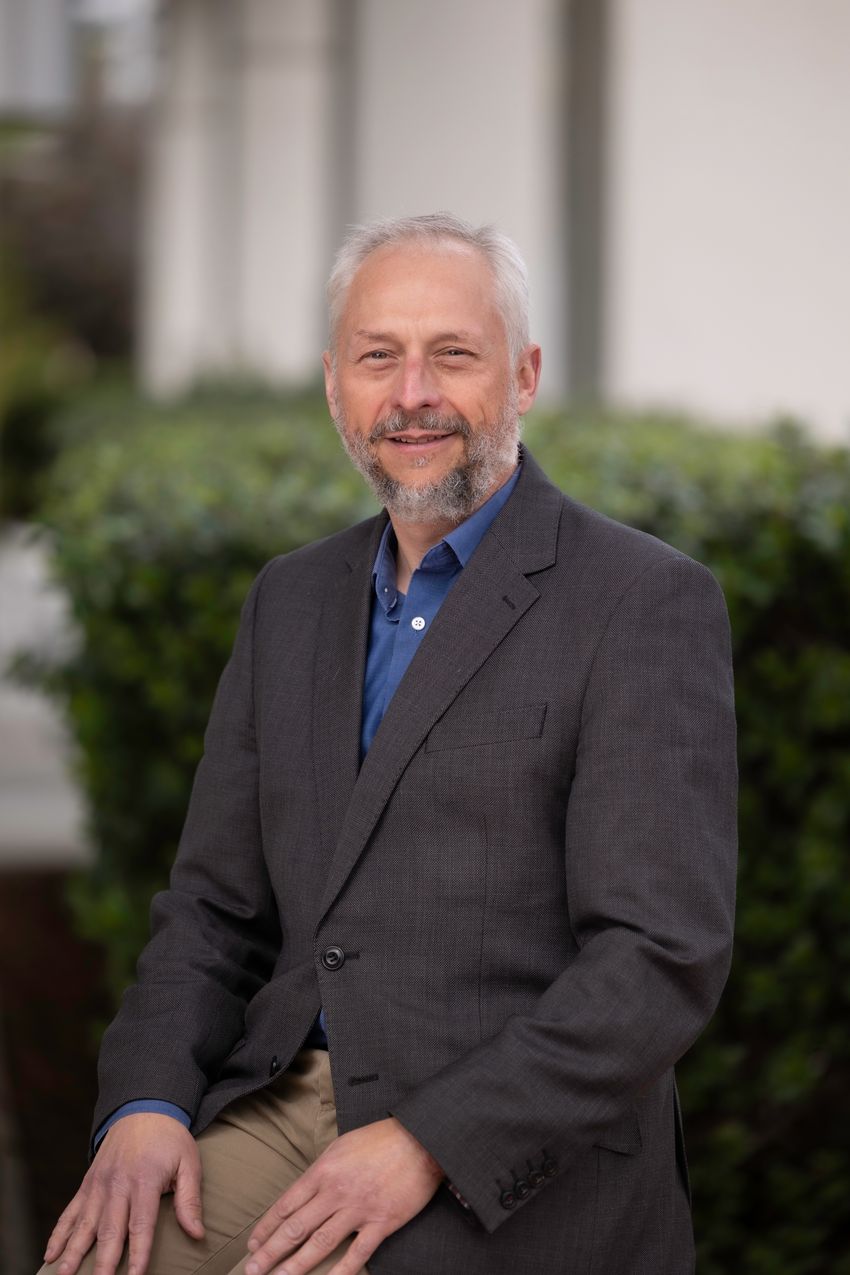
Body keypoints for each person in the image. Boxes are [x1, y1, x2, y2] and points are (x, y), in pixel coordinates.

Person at [41, 213, 737, 1275]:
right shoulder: (291, 600)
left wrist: (427, 1141)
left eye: (452, 354)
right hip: (284, 1099)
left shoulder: (641, 602)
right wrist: (144, 1101)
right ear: (335, 386)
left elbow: (658, 958)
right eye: (378, 358)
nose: (412, 394)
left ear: (524, 375)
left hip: (507, 1139)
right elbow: (214, 909)